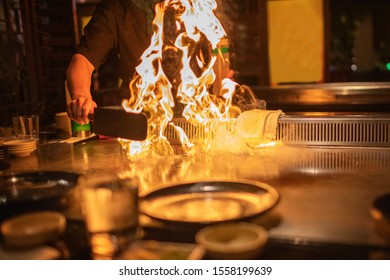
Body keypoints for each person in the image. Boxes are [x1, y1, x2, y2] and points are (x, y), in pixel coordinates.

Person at [66, 0, 160, 125]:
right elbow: (82, 60)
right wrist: (81, 97)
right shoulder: (115, 8)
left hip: (191, 112)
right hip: (138, 116)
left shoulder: (191, 6)